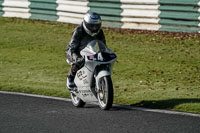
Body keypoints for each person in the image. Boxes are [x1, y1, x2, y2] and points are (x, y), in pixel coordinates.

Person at [65, 12, 106, 91]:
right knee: (78, 61)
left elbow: (103, 45)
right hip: (74, 51)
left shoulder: (100, 32)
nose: (94, 28)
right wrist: (76, 57)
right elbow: (72, 47)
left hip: (89, 50)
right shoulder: (79, 31)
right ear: (86, 24)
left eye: (96, 26)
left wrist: (105, 53)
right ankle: (70, 78)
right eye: (92, 26)